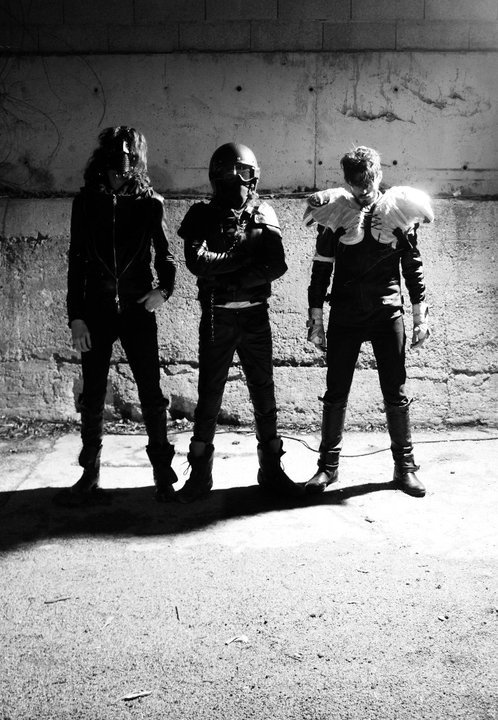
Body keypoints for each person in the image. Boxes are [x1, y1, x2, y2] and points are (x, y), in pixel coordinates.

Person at [304, 146, 434, 498]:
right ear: (347, 180)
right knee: (336, 390)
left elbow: (413, 267)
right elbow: (321, 270)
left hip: (386, 312)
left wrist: (420, 318)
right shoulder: (335, 211)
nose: (363, 189)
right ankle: (327, 467)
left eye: (368, 181)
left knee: (395, 390)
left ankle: (405, 467)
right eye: (355, 183)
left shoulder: (399, 210)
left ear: (379, 175)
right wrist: (315, 319)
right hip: (345, 313)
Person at [176, 142, 300, 503]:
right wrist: (243, 258)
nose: (243, 181)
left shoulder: (263, 212)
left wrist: (229, 274)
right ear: (221, 176)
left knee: (263, 391)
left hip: (254, 315)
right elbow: (197, 262)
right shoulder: (201, 214)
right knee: (209, 394)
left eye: (246, 174)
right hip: (219, 316)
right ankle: (200, 474)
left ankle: (271, 469)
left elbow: (276, 265)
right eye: (237, 174)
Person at [63, 126, 177, 503]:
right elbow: (76, 263)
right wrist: (76, 316)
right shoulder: (86, 203)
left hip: (136, 309)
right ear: (104, 159)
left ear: (136, 160)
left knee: (151, 392)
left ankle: (162, 473)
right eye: (115, 155)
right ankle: (90, 474)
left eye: (128, 155)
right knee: (93, 394)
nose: (120, 164)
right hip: (96, 310)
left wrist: (163, 290)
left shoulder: (150, 203)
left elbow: (166, 256)